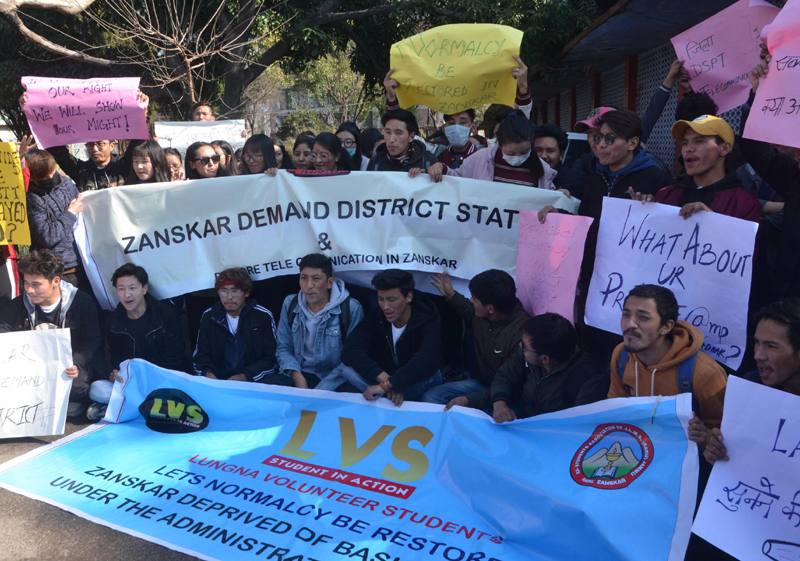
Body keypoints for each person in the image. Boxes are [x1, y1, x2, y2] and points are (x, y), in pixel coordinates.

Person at [609, 285, 727, 435]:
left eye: (643, 317)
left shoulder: (703, 372)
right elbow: (614, 408)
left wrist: (703, 438)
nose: (630, 324)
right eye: (626, 315)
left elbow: (724, 435)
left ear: (666, 327)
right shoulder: (621, 356)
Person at [447, 314, 607, 422]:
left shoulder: (589, 379)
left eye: (524, 346)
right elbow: (504, 378)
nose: (520, 347)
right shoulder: (528, 355)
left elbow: (576, 427)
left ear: (545, 359)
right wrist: (495, 403)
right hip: (521, 413)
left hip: (550, 436)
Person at [697, 298, 800, 466]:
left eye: (771, 346)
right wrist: (713, 451)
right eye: (757, 343)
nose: (758, 355)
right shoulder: (750, 387)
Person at [0, 250, 101, 418]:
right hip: (28, 369)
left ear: (55, 281)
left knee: (78, 386)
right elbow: (3, 334)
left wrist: (76, 362)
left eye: (36, 284)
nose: (30, 290)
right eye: (26, 283)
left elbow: (92, 339)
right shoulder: (16, 306)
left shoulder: (81, 302)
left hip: (66, 367)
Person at [86, 263, 185, 421]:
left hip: (162, 380)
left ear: (144, 289)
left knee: (179, 394)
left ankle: (122, 409)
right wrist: (115, 372)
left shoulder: (165, 315)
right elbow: (115, 355)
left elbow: (175, 357)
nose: (127, 295)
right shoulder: (113, 321)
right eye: (121, 289)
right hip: (131, 385)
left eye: (132, 288)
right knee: (96, 389)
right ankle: (144, 408)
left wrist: (154, 381)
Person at [422, 269, 529, 404]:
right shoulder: (487, 314)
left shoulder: (521, 336)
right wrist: (450, 294)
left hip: (505, 397)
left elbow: (514, 388)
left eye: (474, 298)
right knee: (432, 397)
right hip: (479, 384)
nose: (471, 300)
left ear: (490, 308)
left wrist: (470, 401)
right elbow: (468, 310)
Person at [342, 269, 443, 406]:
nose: (385, 306)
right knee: (348, 371)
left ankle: (384, 398)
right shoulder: (377, 316)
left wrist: (389, 385)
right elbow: (351, 350)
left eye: (391, 300)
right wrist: (387, 381)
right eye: (380, 299)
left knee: (432, 375)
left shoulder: (428, 318)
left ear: (408, 297)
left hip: (412, 381)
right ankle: (389, 398)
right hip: (388, 379)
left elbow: (426, 358)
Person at [266, 254, 364, 390]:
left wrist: (320, 389)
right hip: (299, 373)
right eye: (304, 278)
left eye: (316, 279)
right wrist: (296, 375)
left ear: (329, 283)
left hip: (334, 378)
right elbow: (284, 347)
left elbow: (351, 358)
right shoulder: (291, 303)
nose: (309, 285)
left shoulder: (351, 308)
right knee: (268, 387)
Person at [643, 116, 760, 222]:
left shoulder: (744, 204)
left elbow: (742, 245)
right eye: (685, 143)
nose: (688, 149)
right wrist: (641, 213)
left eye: (699, 141)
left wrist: (712, 221)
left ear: (724, 149)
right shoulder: (665, 195)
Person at [423, 114, 557, 190]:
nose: (518, 157)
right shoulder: (481, 158)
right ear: (499, 144)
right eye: (511, 153)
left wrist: (562, 196)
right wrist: (441, 167)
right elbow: (456, 177)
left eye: (525, 151)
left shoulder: (543, 170)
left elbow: (550, 198)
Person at [193, 267, 279, 382]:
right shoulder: (209, 317)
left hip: (254, 382)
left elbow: (272, 359)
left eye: (235, 291)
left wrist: (246, 376)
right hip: (219, 382)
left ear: (247, 292)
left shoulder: (263, 316)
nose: (229, 297)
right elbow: (200, 356)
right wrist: (208, 373)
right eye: (223, 291)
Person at [25, 149, 86, 290]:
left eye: (52, 172)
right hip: (52, 272)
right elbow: (48, 236)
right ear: (33, 177)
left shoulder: (66, 184)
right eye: (44, 177)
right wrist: (70, 213)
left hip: (82, 265)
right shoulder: (31, 198)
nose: (51, 177)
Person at [367, 109, 438, 172]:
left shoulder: (427, 161)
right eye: (388, 132)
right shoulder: (375, 162)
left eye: (398, 133)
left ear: (411, 137)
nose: (391, 139)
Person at [533, 123, 587, 197]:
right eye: (538, 150)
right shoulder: (524, 176)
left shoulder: (575, 181)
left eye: (550, 151)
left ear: (561, 154)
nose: (543, 156)